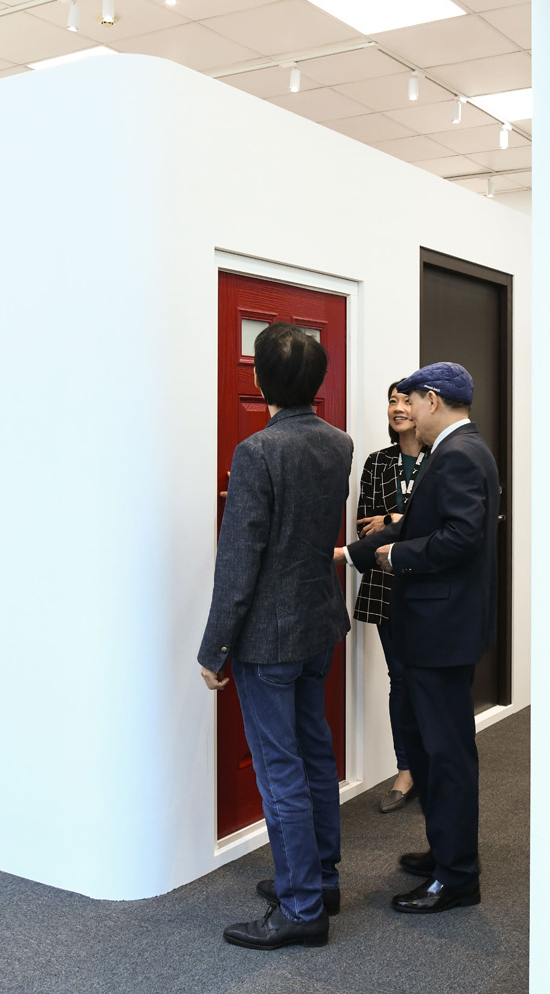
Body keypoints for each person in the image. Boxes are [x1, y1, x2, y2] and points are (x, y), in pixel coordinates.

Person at [198, 321, 354, 951]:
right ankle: (320, 879)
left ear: (261, 381)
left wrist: (215, 649)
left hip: (269, 637)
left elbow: (239, 563)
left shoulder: (257, 452)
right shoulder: (339, 443)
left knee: (279, 768)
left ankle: (301, 908)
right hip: (318, 623)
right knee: (315, 753)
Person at [341, 362, 499, 915]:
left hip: (442, 631)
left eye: (410, 400)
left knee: (446, 753)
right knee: (432, 745)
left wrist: (395, 556)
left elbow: (458, 536)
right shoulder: (456, 450)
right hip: (437, 629)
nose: (404, 410)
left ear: (432, 400)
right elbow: (415, 523)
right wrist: (352, 554)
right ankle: (445, 852)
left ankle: (456, 878)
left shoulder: (459, 455)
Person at [353, 382, 428, 813]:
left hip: (430, 586)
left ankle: (432, 763)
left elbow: (441, 528)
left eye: (405, 401)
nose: (397, 408)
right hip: (385, 586)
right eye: (392, 401)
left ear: (425, 406)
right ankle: (406, 769)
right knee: (399, 678)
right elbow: (365, 525)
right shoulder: (377, 462)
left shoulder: (440, 459)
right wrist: (392, 520)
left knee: (429, 679)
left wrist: (394, 520)